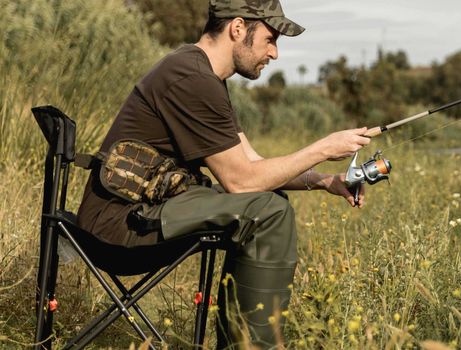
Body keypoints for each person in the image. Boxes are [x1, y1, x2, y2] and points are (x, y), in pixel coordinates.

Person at [75, 0, 369, 347]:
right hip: (118, 227)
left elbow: (253, 164)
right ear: (238, 28)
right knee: (269, 212)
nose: (274, 53)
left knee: (269, 199)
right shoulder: (192, 78)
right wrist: (323, 148)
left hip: (135, 214)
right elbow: (241, 182)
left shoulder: (204, 76)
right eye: (270, 39)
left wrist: (325, 181)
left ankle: (241, 341)